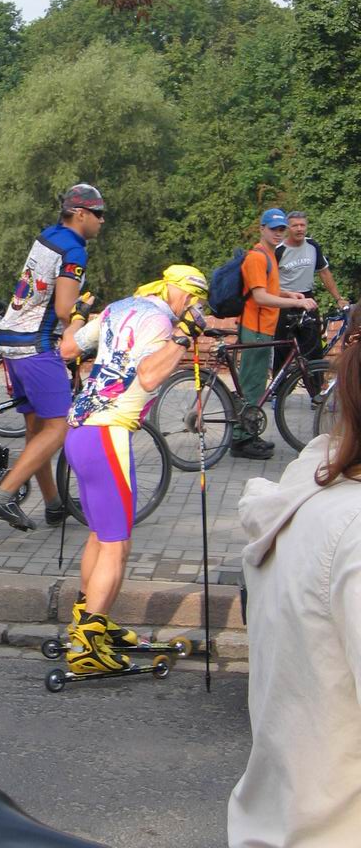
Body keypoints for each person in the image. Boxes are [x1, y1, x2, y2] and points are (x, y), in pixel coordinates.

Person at [228, 305, 361, 848]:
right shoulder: (353, 530)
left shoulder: (309, 489)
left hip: (278, 822)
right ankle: (243, 421)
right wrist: (297, 303)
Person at [58, 265, 208, 676]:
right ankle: (88, 645)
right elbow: (148, 374)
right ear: (184, 295)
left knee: (100, 535)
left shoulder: (120, 307)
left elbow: (68, 349)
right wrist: (182, 337)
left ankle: (90, 621)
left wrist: (77, 317)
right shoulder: (161, 323)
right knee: (116, 545)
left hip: (80, 433)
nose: (196, 309)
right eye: (197, 301)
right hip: (108, 437)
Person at [0, 184, 105, 531]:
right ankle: (3, 495)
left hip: (10, 340)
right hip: (35, 346)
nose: (102, 220)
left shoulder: (49, 235)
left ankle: (54, 505)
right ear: (80, 214)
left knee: (37, 430)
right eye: (98, 213)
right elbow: (64, 309)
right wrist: (83, 317)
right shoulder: (74, 250)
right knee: (59, 427)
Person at [233, 208, 318, 460]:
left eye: (282, 229)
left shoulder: (270, 254)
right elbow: (259, 297)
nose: (278, 233)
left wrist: (288, 294)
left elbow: (268, 289)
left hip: (264, 328)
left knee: (257, 383)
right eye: (273, 229)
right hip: (255, 328)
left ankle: (249, 433)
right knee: (252, 384)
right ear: (262, 229)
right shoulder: (257, 257)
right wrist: (296, 303)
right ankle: (240, 441)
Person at [272, 209, 349, 373]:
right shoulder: (278, 250)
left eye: (302, 225)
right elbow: (269, 282)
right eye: (295, 226)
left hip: (307, 298)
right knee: (282, 348)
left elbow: (324, 273)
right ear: (288, 228)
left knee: (313, 347)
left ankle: (315, 386)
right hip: (285, 301)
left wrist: (338, 298)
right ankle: (279, 386)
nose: (299, 229)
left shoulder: (312, 246)